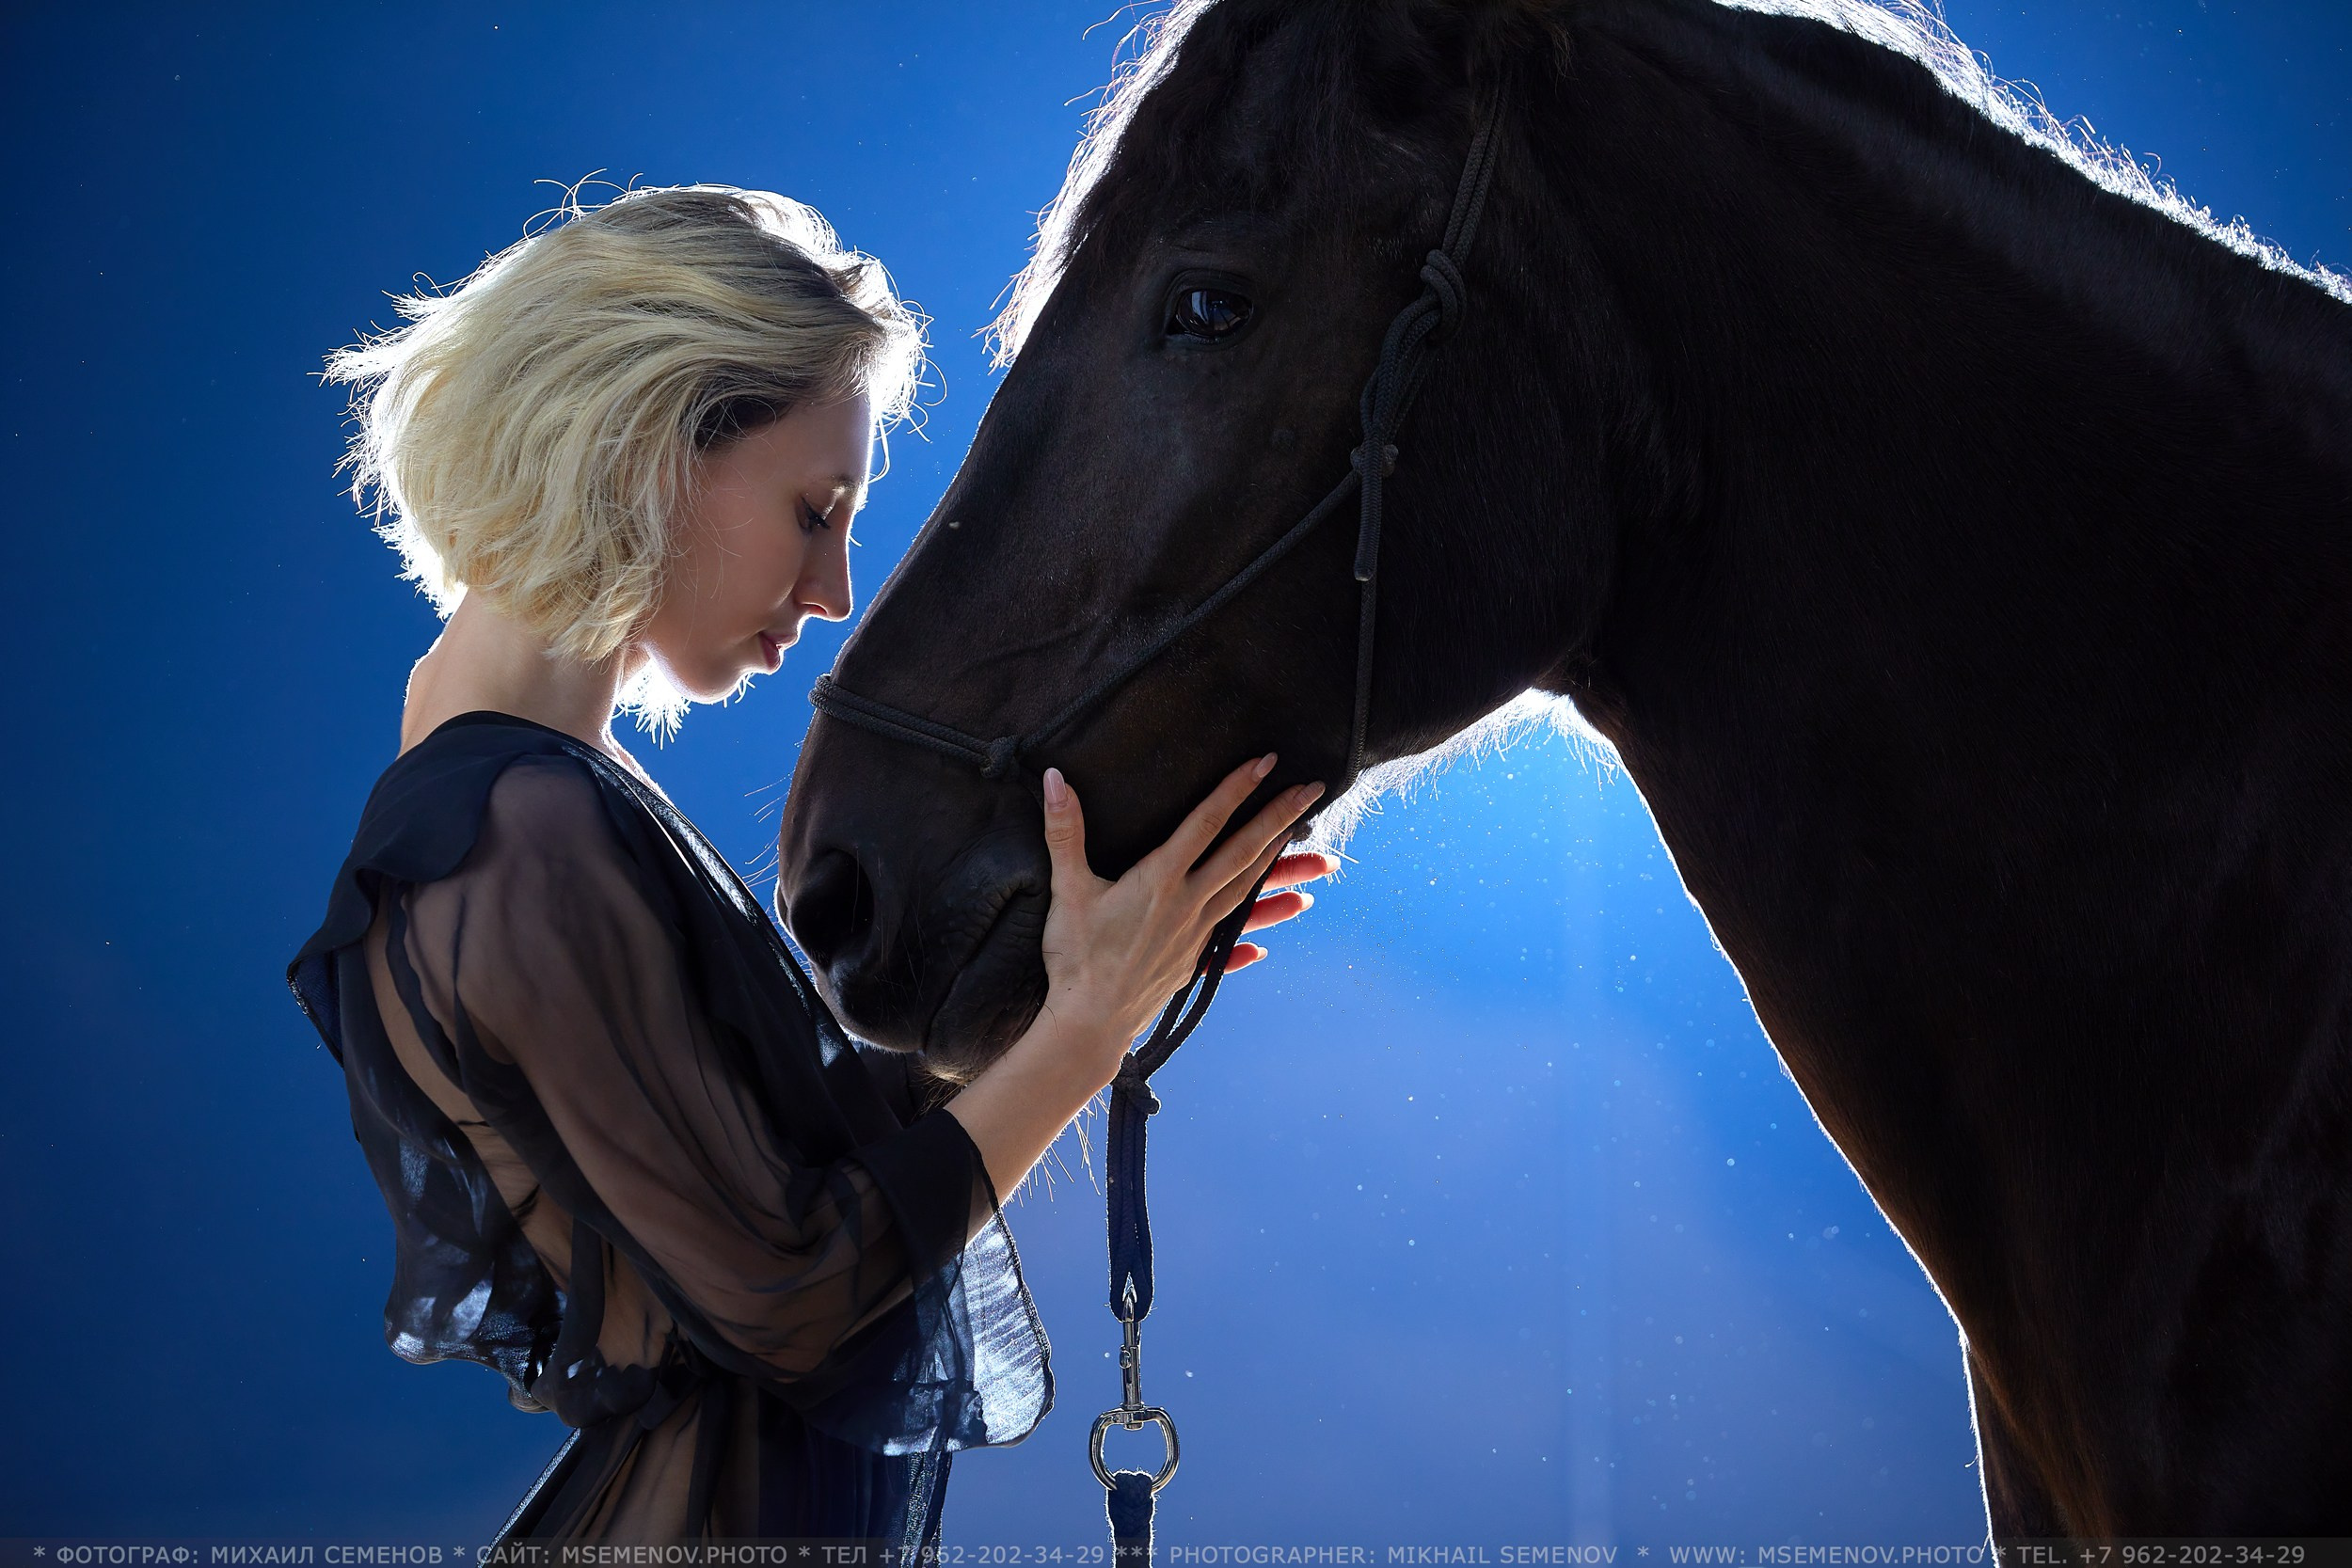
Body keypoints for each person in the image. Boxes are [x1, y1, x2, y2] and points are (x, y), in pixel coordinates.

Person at [287, 184, 1333, 1550]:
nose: (837, 587)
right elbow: (794, 1293)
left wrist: (1085, 980)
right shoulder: (514, 833)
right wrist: (1079, 1034)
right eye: (813, 507)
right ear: (652, 447)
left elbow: (777, 1189)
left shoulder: (522, 797)